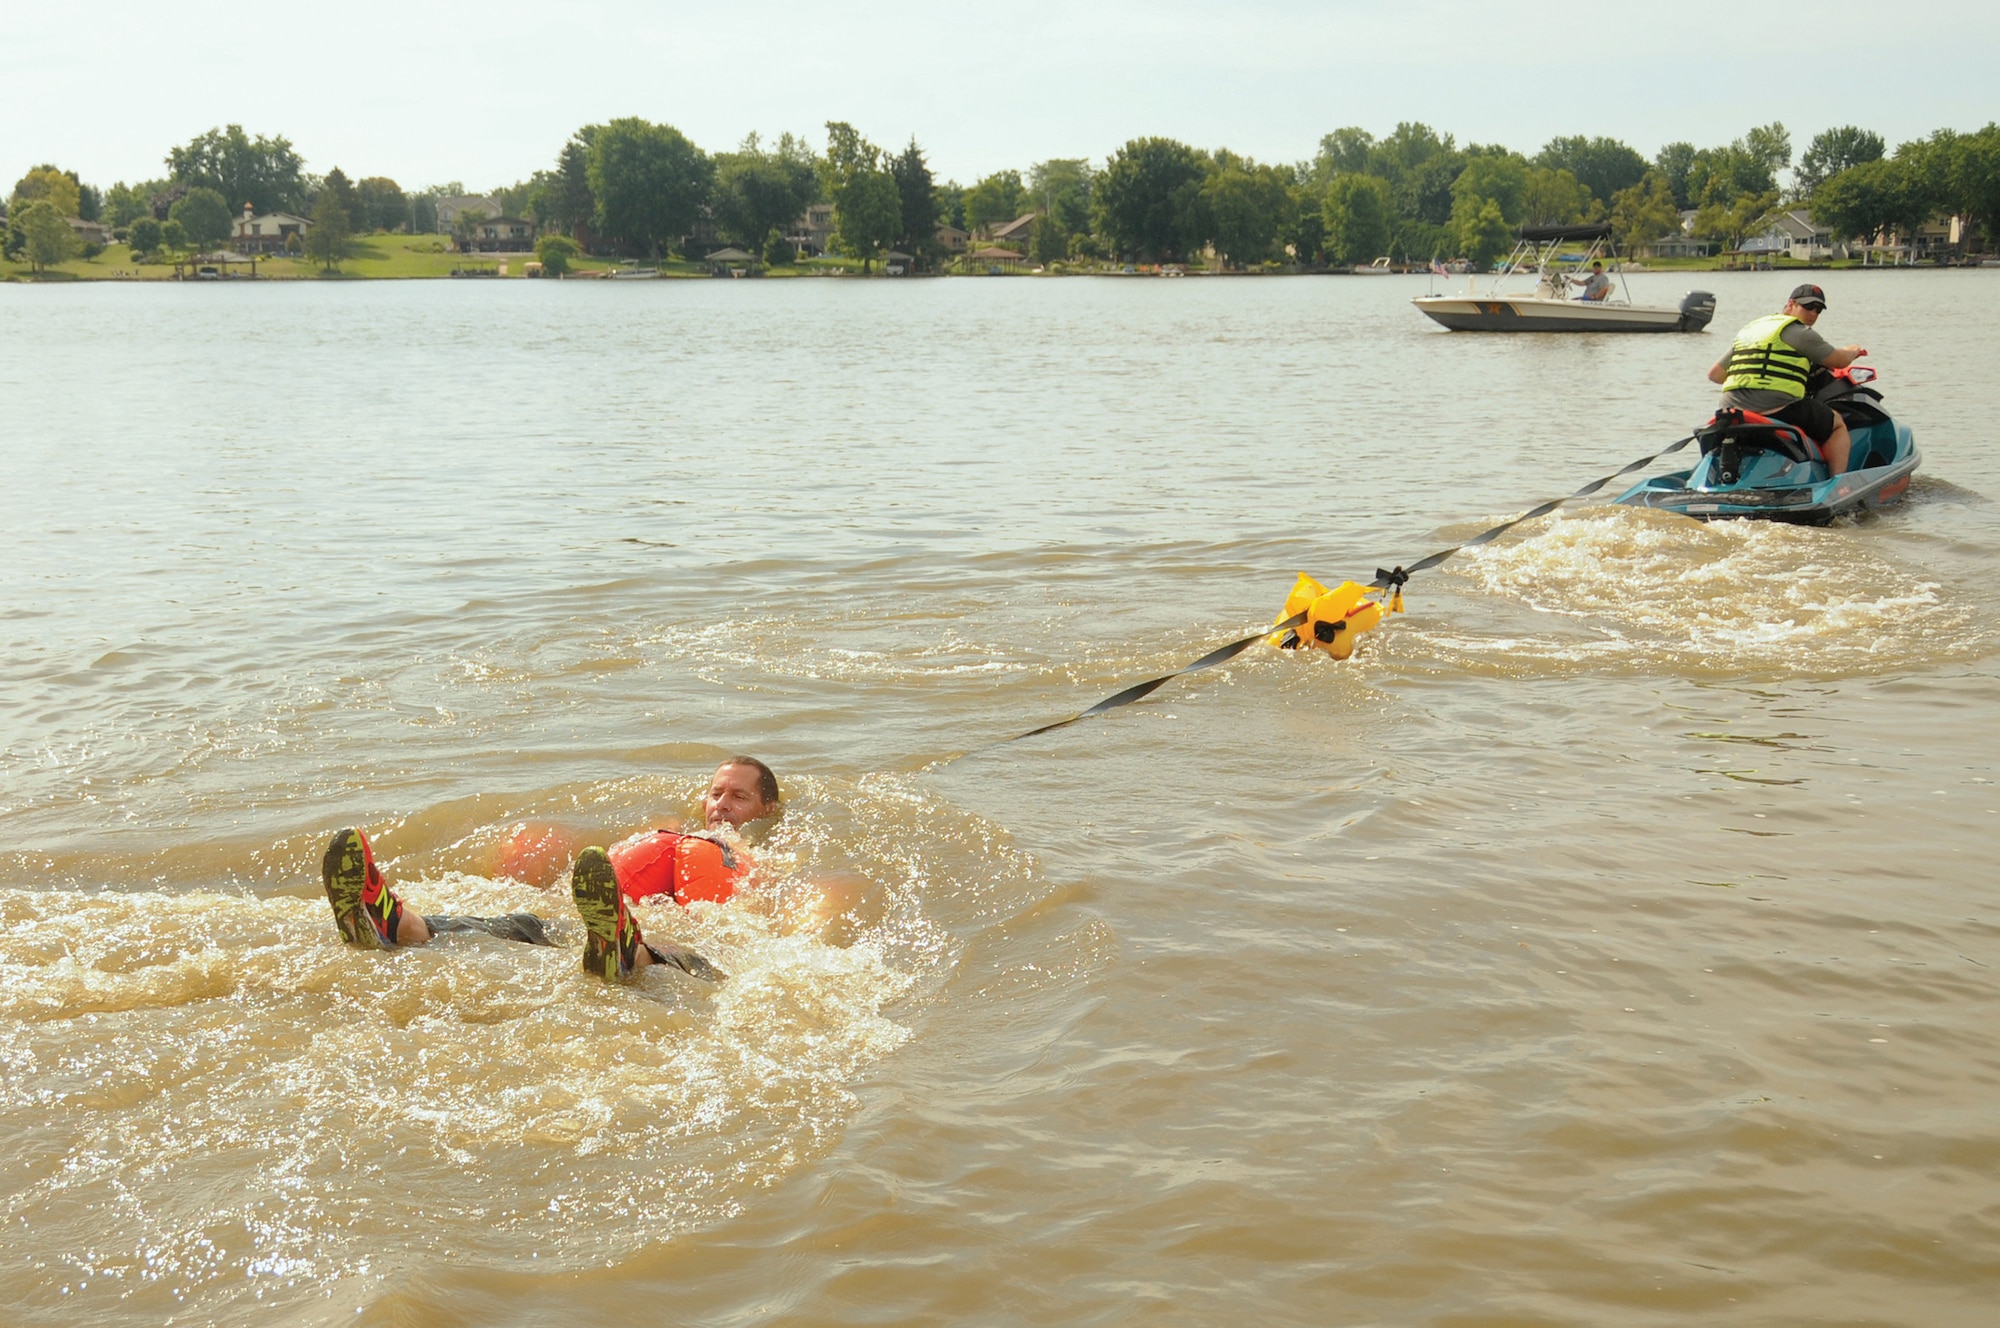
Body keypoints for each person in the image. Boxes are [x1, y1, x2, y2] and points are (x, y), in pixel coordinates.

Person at [318, 757, 783, 983]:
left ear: (767, 810)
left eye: (738, 797)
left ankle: (629, 952)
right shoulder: (669, 833)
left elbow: (749, 925)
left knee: (685, 948)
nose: (721, 805)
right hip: (609, 923)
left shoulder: (770, 857)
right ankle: (403, 925)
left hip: (690, 939)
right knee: (528, 923)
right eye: (716, 793)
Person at [1707, 283, 1867, 475]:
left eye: (1818, 310)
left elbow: (1715, 375)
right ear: (1791, 304)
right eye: (1808, 307)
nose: (1813, 314)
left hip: (1732, 409)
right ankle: (1837, 484)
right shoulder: (1799, 332)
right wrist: (1853, 351)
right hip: (1777, 407)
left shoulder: (1754, 329)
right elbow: (1838, 360)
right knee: (1837, 425)